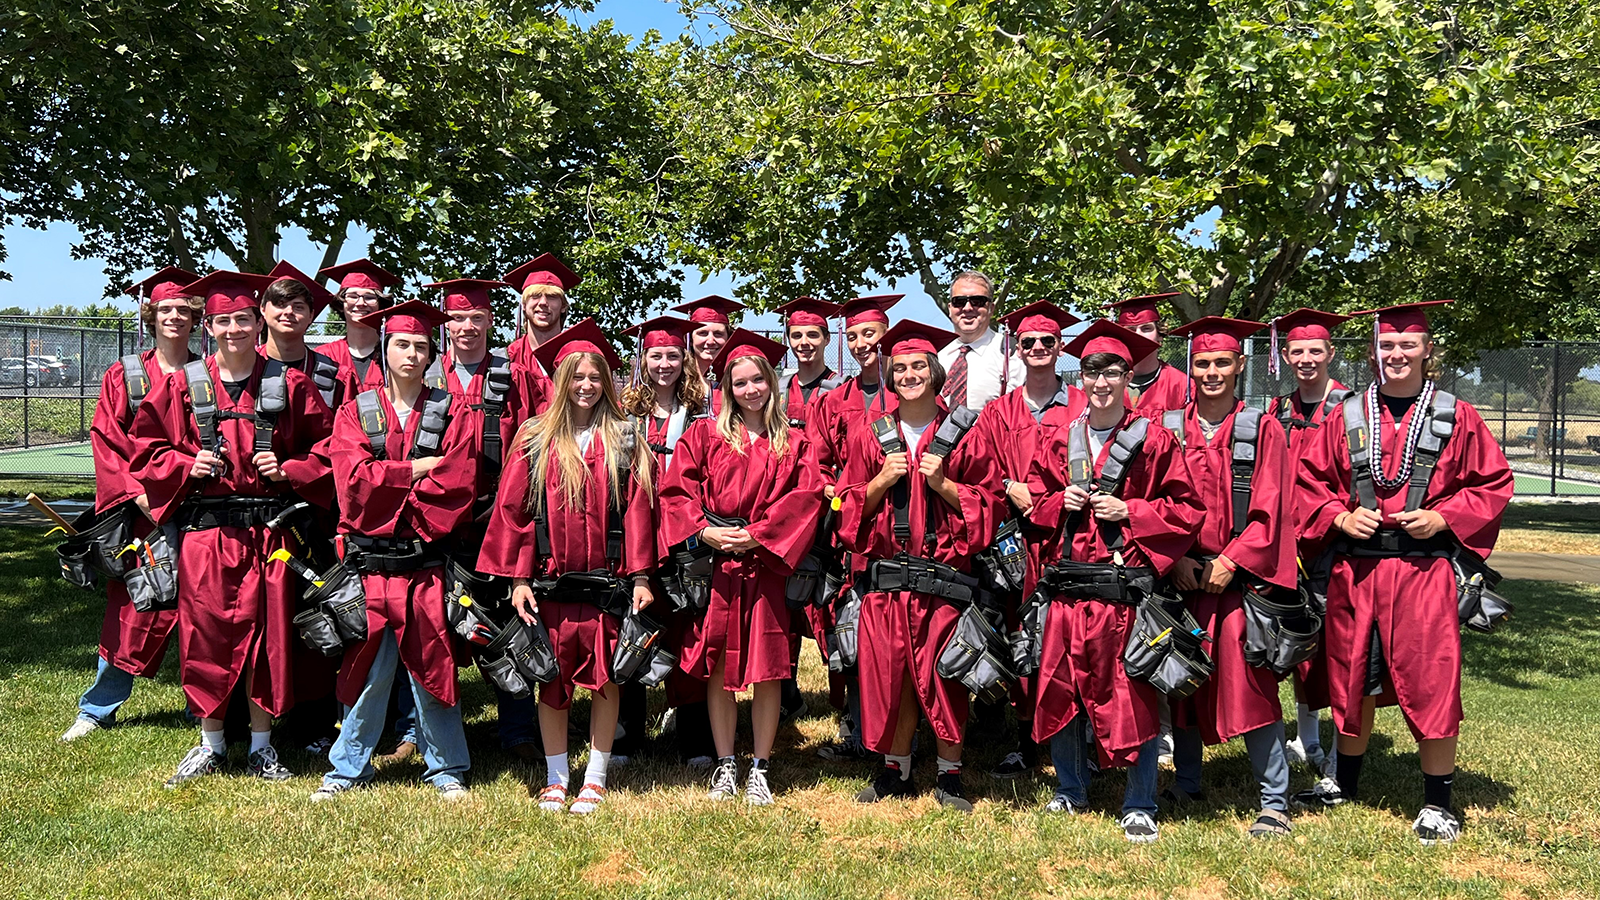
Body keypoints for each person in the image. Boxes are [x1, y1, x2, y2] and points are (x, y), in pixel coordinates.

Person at [1294, 300, 1513, 844]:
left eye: (1407, 344)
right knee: (1353, 678)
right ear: (1374, 351)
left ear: (1426, 349)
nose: (1397, 353)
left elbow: (1492, 483)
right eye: (1387, 344)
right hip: (1356, 571)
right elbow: (1307, 483)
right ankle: (1343, 782)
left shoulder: (1456, 416)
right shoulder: (1348, 415)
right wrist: (1339, 517)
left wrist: (1445, 516)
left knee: (1431, 680)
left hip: (1423, 572)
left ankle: (1438, 803)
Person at [130, 270, 335, 788]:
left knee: (269, 636)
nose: (234, 329)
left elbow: (330, 447)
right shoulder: (183, 384)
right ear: (209, 328)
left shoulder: (289, 384)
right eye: (223, 321)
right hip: (207, 536)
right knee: (207, 635)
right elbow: (145, 448)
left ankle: (262, 747)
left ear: (257, 322)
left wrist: (290, 469)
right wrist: (185, 465)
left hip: (271, 535)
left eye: (243, 319)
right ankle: (211, 744)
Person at [1024, 319, 1202, 842]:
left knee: (1133, 697)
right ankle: (1070, 789)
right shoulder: (1060, 438)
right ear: (1080, 377)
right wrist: (1058, 502)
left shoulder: (1154, 439)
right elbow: (1032, 503)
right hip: (1069, 591)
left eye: (1112, 372)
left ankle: (1140, 801)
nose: (1101, 382)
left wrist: (1132, 510)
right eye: (1092, 372)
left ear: (1128, 376)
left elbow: (1188, 509)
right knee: (1062, 689)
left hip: (1124, 595)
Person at [477, 319, 657, 814]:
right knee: (550, 681)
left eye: (595, 376)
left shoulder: (624, 438)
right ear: (561, 380)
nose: (586, 385)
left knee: (606, 679)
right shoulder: (535, 437)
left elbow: (638, 511)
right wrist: (518, 578)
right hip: (551, 581)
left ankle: (595, 778)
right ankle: (557, 778)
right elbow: (514, 511)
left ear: (607, 382)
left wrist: (641, 576)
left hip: (607, 582)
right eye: (576, 376)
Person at [312, 300, 479, 801]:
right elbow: (352, 483)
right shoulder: (355, 411)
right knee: (368, 670)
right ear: (385, 349)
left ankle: (447, 768)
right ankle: (346, 769)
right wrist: (415, 470)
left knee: (432, 667)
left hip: (424, 565)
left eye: (420, 346)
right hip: (370, 570)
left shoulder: (452, 412)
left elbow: (458, 482)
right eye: (402, 344)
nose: (410, 354)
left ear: (431, 355)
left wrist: (391, 488)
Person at [838, 320, 1002, 813]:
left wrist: (945, 486)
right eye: (900, 368)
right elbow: (845, 505)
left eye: (918, 367)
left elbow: (991, 503)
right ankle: (896, 769)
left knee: (945, 677)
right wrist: (879, 483)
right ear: (890, 376)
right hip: (889, 580)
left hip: (944, 581)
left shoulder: (966, 430)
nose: (909, 375)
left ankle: (950, 775)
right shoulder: (871, 434)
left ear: (934, 373)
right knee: (893, 678)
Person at [658, 329, 825, 804]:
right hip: (717, 567)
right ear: (728, 389)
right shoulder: (705, 435)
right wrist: (703, 531)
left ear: (771, 382)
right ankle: (726, 764)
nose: (750, 389)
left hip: (767, 565)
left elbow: (806, 498)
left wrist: (760, 534)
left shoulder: (794, 442)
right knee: (718, 664)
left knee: (768, 667)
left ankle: (761, 767)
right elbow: (676, 491)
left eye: (758, 380)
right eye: (740, 383)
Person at [1162, 317, 1299, 838]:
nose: (1212, 372)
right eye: (1202, 363)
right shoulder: (1168, 427)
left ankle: (1274, 801)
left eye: (1222, 362)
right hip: (1182, 577)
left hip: (1239, 583)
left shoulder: (1261, 428)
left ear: (1240, 365)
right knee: (1182, 681)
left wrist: (1233, 561)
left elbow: (1273, 508)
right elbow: (1153, 500)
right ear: (1190, 367)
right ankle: (1187, 782)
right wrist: (1174, 558)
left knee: (1251, 686)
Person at [61, 267, 201, 743]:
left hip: (200, 509)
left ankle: (203, 707)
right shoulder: (127, 374)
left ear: (195, 318)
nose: (175, 316)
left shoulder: (209, 373)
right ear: (151, 315)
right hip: (141, 513)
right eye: (166, 309)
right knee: (132, 606)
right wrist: (138, 495)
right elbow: (107, 441)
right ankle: (98, 708)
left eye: (183, 309)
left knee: (203, 609)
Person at [970, 300, 1086, 777]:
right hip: (1015, 545)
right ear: (1016, 349)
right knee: (1022, 637)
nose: (1038, 347)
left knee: (1071, 639)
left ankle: (1079, 739)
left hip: (1072, 539)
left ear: (1060, 347)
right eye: (1028, 342)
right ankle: (1024, 741)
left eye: (1047, 341)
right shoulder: (999, 411)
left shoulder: (1082, 405)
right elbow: (979, 467)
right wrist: (1006, 486)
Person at [806, 294, 902, 763]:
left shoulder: (906, 393)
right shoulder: (834, 400)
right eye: (856, 336)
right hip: (848, 526)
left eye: (871, 334)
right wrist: (831, 488)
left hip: (899, 527)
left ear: (886, 337)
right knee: (850, 626)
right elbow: (817, 458)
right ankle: (857, 729)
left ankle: (900, 734)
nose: (863, 343)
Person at [619, 315, 714, 767]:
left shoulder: (700, 415)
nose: (664, 364)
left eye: (673, 356)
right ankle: (625, 736)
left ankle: (695, 738)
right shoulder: (626, 415)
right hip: (635, 532)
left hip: (686, 536)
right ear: (643, 360)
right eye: (656, 356)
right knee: (632, 628)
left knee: (689, 631)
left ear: (684, 360)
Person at [1264, 308, 1355, 774]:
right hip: (1286, 544)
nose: (1306, 359)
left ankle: (1341, 746)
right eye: (1297, 351)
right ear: (1285, 356)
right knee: (1296, 643)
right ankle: (1307, 737)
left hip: (1334, 542)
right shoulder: (1278, 410)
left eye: (1315, 351)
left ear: (1330, 353)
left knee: (1340, 646)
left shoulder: (1351, 408)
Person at [261, 261, 349, 410]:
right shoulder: (246, 367)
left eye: (298, 307)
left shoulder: (337, 376)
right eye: (280, 304)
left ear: (311, 316)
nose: (289, 311)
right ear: (263, 309)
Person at [938, 271, 1025, 410]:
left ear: (991, 308)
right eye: (959, 301)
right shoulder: (936, 354)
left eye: (977, 301)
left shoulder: (1011, 353)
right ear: (950, 308)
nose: (967, 308)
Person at [317, 258, 401, 396]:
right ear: (341, 303)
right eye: (352, 296)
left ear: (381, 305)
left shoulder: (394, 355)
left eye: (369, 297)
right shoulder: (323, 356)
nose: (361, 303)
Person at [1105, 292, 1188, 420]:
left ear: (1160, 335)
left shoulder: (1181, 385)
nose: (1138, 335)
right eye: (1131, 330)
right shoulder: (1101, 383)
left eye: (1146, 329)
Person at [503, 253, 580, 388]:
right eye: (535, 296)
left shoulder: (578, 357)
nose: (543, 302)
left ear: (563, 306)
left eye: (551, 296)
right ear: (524, 306)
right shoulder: (507, 359)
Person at [673, 295, 745, 390]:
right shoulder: (677, 383)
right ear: (690, 339)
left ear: (728, 338)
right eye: (703, 333)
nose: (711, 341)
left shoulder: (739, 379)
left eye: (718, 334)